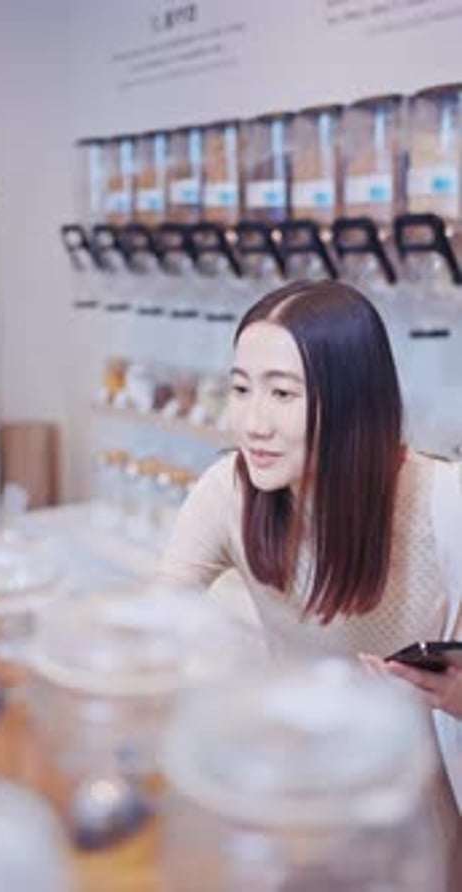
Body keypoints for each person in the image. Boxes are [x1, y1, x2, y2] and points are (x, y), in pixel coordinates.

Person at [157, 280, 462, 829]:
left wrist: (455, 696)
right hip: (291, 796)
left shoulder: (443, 503)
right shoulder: (229, 490)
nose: (253, 423)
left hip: (408, 815)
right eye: (241, 389)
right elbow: (153, 623)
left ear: (351, 401)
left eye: (281, 394)